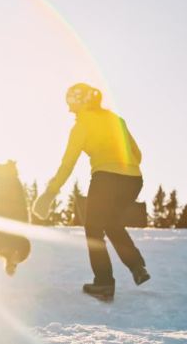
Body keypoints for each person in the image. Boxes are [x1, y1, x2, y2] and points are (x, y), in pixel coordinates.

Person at [33, 83, 150, 300]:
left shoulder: (81, 126)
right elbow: (138, 155)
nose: (69, 110)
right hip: (134, 179)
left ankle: (104, 283)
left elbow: (67, 165)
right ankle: (137, 267)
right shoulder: (117, 120)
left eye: (71, 104)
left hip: (106, 178)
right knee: (112, 223)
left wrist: (49, 194)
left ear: (80, 102)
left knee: (93, 229)